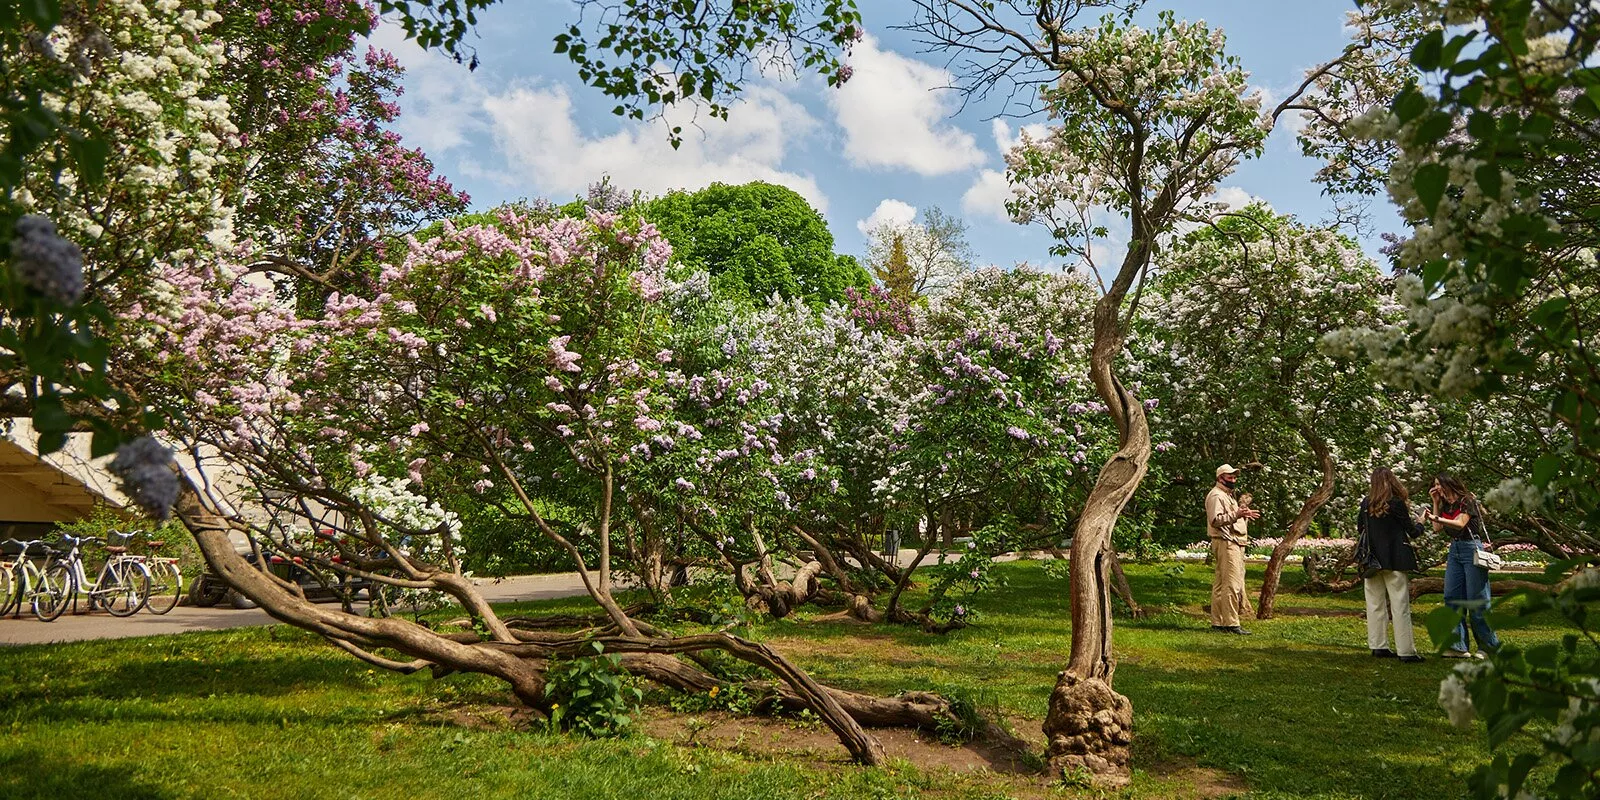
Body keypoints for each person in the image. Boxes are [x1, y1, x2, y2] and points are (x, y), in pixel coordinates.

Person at [1423, 473, 1501, 658]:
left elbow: (1460, 524)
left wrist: (1437, 518)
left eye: (1439, 485)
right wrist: (1435, 503)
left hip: (1471, 548)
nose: (1437, 488)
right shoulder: (1446, 505)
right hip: (1455, 550)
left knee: (1477, 599)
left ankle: (1488, 646)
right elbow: (1436, 529)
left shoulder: (1468, 500)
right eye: (1434, 485)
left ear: (1449, 484)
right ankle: (1457, 646)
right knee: (1452, 597)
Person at [1358, 468, 1424, 663]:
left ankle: (1378, 646)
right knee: (1399, 605)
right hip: (1395, 559)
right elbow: (1412, 532)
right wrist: (1421, 522)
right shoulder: (1395, 503)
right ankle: (1406, 651)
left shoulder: (1366, 504)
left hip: (1372, 560)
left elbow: (1360, 529)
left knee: (1374, 604)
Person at [1206, 464, 1259, 634]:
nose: (1233, 480)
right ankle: (1231, 623)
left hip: (1231, 542)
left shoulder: (1227, 495)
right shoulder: (1216, 495)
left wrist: (1243, 514)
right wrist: (1237, 515)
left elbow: (1231, 516)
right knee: (1232, 584)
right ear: (1220, 477)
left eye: (1235, 477)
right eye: (1229, 477)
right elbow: (1215, 520)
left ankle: (1218, 622)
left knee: (1222, 584)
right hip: (1226, 543)